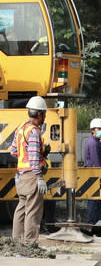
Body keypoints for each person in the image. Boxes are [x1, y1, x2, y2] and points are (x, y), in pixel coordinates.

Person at [10, 96, 49, 244]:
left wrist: (41, 153)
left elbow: (14, 151)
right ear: (39, 114)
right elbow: (33, 157)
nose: (44, 116)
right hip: (32, 176)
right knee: (33, 210)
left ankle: (17, 242)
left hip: (21, 176)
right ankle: (29, 243)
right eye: (44, 113)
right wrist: (39, 177)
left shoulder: (21, 129)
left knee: (21, 209)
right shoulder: (34, 131)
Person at [83, 118, 101, 224]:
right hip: (94, 173)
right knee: (94, 198)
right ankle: (93, 222)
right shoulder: (93, 143)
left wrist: (100, 143)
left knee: (97, 198)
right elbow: (96, 160)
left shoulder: (95, 141)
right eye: (99, 128)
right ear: (93, 130)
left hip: (95, 173)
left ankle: (97, 221)